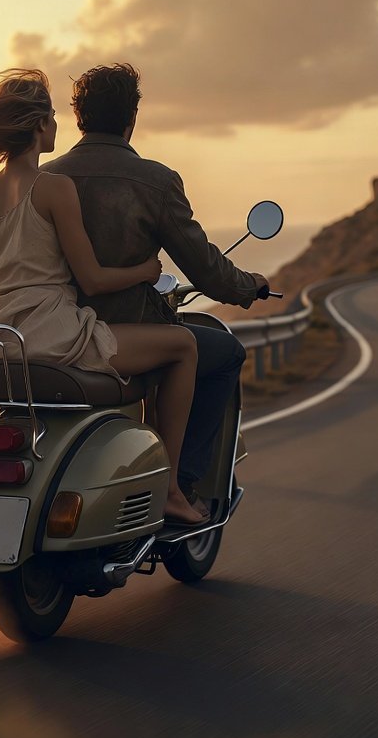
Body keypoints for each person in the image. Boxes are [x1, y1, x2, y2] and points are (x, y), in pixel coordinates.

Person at [0, 68, 207, 525]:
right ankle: (168, 489)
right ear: (36, 126)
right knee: (183, 346)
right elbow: (92, 280)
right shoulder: (53, 188)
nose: (56, 124)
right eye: (51, 116)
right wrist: (146, 270)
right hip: (51, 330)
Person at [44, 63, 269, 506]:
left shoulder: (44, 179)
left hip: (57, 331)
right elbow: (205, 268)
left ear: (77, 116)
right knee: (224, 354)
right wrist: (249, 287)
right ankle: (179, 484)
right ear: (132, 117)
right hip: (124, 332)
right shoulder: (155, 181)